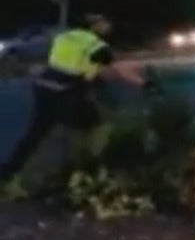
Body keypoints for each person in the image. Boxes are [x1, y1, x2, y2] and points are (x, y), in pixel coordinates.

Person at [0, 14, 150, 184]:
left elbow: (38, 54)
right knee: (97, 124)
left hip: (44, 89)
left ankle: (7, 176)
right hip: (65, 94)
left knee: (34, 136)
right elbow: (116, 70)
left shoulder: (64, 36)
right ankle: (89, 170)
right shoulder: (95, 45)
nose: (108, 25)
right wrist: (145, 83)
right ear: (94, 26)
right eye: (104, 23)